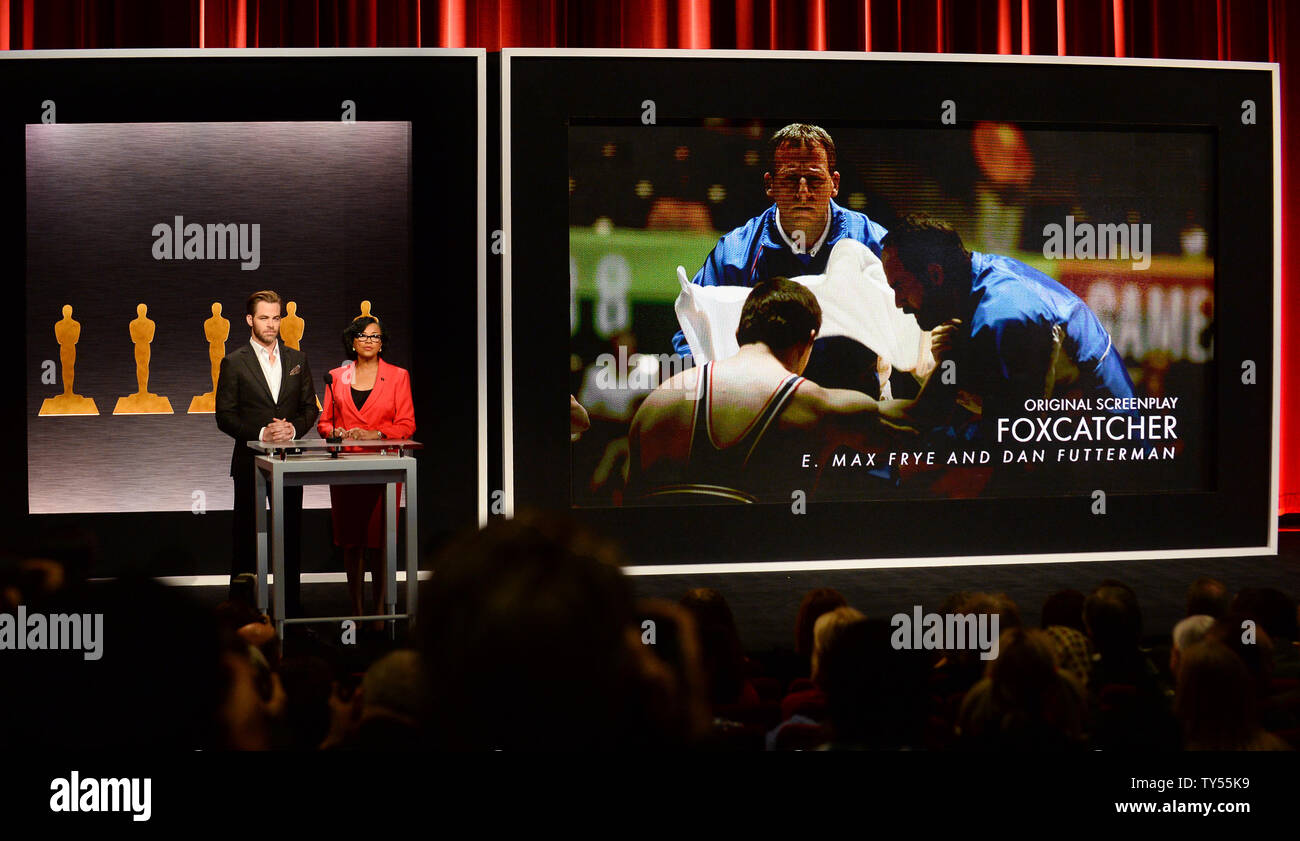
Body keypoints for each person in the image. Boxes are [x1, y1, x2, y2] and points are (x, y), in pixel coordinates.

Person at [628, 277, 899, 504]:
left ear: (737, 334)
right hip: (764, 562)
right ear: (809, 341)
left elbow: (629, 510)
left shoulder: (656, 403)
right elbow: (919, 426)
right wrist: (899, 375)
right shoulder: (816, 406)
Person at [877, 214, 1137, 436]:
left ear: (935, 274)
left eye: (899, 287)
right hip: (1078, 438)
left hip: (1108, 457)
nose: (899, 303)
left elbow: (1017, 443)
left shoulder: (1006, 318)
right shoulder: (975, 279)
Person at [672, 123, 888, 360]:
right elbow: (690, 335)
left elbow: (912, 318)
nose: (802, 192)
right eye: (790, 179)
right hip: (762, 390)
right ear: (770, 185)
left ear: (834, 184)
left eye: (814, 180)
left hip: (853, 391)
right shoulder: (734, 253)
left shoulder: (874, 242)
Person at [215, 290, 318, 616]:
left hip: (290, 462)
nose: (271, 324)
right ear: (250, 320)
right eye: (264, 317)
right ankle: (242, 615)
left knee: (289, 540)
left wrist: (292, 430)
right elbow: (225, 416)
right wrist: (261, 433)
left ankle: (290, 613)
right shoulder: (233, 362)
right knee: (245, 541)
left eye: (275, 317)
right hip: (249, 463)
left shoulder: (298, 361)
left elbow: (308, 410)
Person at [317, 316, 415, 623]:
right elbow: (324, 423)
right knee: (352, 542)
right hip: (346, 469)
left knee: (380, 541)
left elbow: (407, 424)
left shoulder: (398, 376)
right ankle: (356, 611)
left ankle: (380, 612)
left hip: (384, 468)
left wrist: (378, 434)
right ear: (353, 341)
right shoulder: (336, 377)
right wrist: (331, 433)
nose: (370, 340)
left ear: (383, 341)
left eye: (376, 336)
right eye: (363, 335)